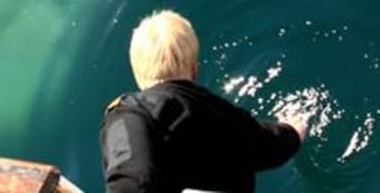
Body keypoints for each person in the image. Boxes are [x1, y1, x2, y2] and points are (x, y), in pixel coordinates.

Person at [100, 10, 305, 193]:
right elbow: (267, 146)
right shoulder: (221, 113)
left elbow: (130, 182)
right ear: (194, 70)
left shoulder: (128, 116)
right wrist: (293, 131)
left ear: (137, 76)